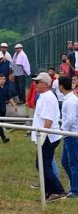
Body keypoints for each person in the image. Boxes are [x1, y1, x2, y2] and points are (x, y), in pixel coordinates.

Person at [30, 72, 66, 202]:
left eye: (37, 82)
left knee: (43, 165)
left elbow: (48, 120)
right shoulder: (44, 96)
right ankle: (50, 191)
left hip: (48, 137)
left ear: (45, 84)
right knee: (42, 164)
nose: (35, 84)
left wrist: (42, 137)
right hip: (46, 137)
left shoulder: (48, 97)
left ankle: (57, 190)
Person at [58, 76, 77, 198]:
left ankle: (75, 190)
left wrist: (62, 129)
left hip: (72, 135)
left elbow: (70, 119)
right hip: (68, 135)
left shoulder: (70, 101)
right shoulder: (69, 98)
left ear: (61, 86)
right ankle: (74, 184)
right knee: (65, 162)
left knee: (74, 164)